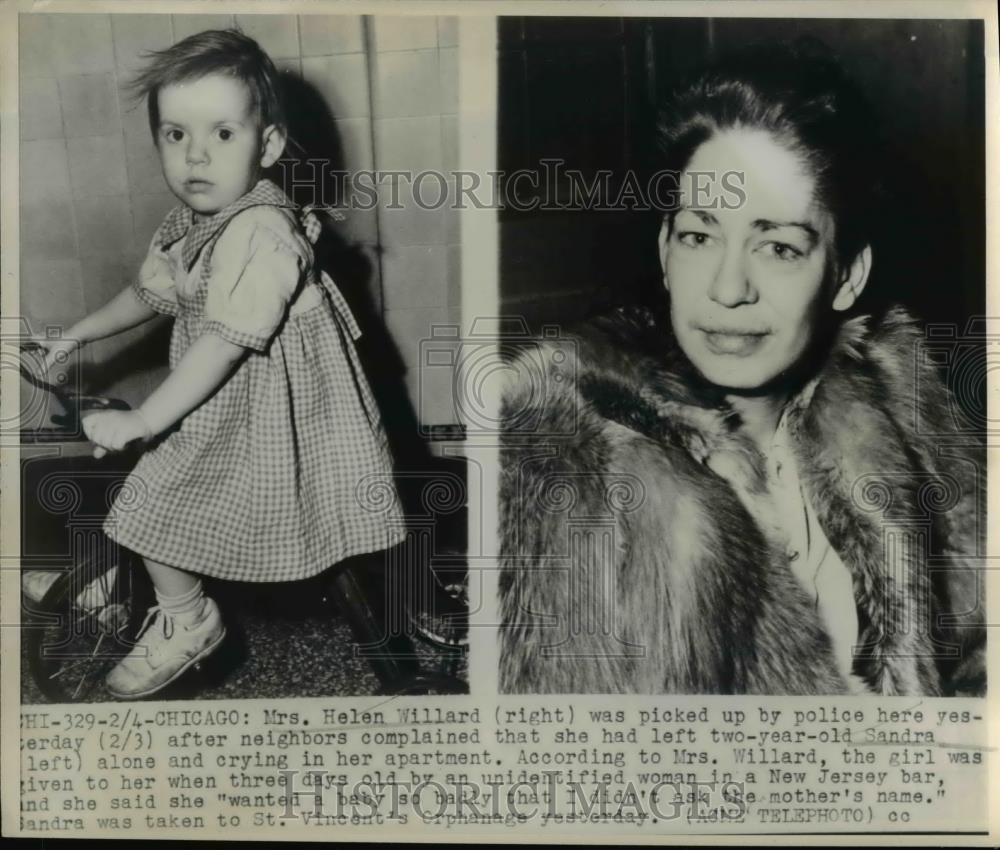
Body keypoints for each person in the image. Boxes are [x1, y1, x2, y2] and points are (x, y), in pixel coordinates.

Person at [498, 44, 985, 696]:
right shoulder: (565, 457)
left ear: (846, 276)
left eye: (778, 247)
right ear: (666, 251)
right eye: (700, 236)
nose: (728, 289)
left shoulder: (899, 400)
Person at [32, 30, 404, 699]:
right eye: (174, 134)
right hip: (227, 395)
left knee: (156, 494)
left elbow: (225, 342)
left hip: (273, 418)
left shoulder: (262, 231)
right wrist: (77, 334)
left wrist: (146, 415)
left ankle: (188, 617)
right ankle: (132, 588)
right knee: (144, 474)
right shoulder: (192, 221)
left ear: (267, 146)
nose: (194, 155)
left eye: (222, 134)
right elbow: (148, 293)